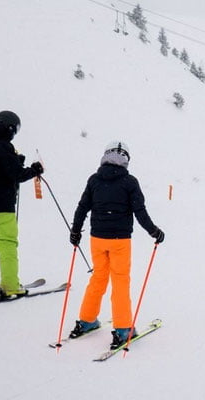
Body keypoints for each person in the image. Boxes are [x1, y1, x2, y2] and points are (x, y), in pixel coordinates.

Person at [68, 141, 165, 350]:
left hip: (97, 239)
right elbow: (140, 212)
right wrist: (154, 231)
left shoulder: (94, 180)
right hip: (120, 241)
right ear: (126, 160)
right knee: (120, 282)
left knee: (98, 279)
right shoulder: (129, 182)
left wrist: (75, 231)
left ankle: (86, 320)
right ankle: (123, 329)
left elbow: (82, 207)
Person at [0, 110, 44, 297]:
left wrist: (16, 162)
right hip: (0, 205)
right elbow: (16, 175)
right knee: (8, 243)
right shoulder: (2, 146)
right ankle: (11, 286)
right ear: (10, 128)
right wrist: (34, 170)